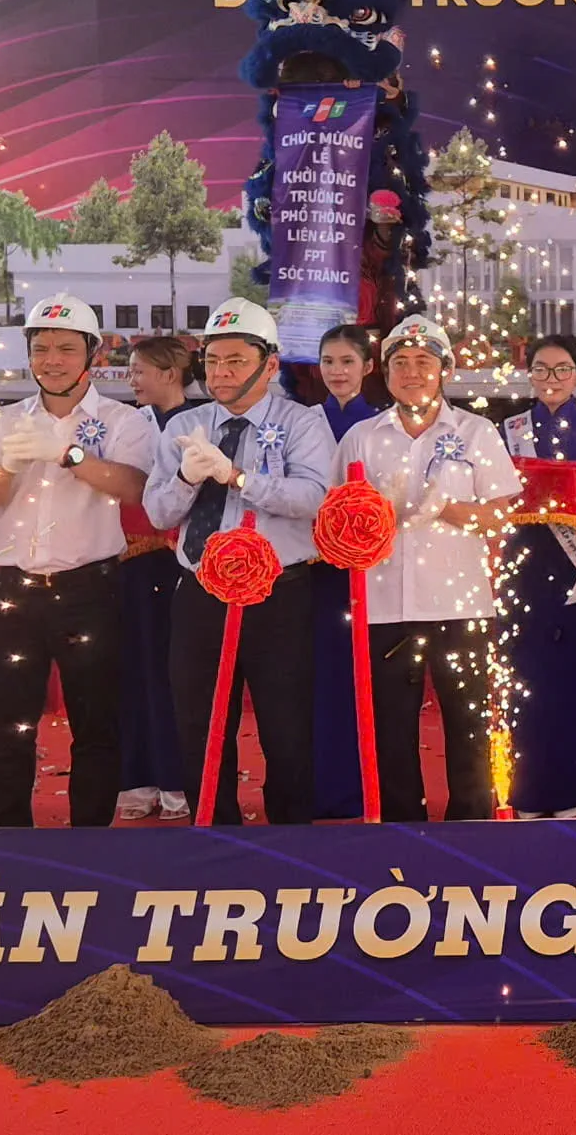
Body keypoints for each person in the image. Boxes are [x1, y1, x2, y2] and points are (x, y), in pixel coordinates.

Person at [0, 294, 157, 827]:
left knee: (95, 725)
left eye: (67, 349)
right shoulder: (3, 421)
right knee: (8, 725)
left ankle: (88, 841)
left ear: (92, 354)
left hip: (89, 592)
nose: (52, 359)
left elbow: (137, 487)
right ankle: (9, 845)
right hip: (12, 594)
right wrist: (8, 465)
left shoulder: (124, 420)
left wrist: (69, 454)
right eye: (41, 347)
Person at [143, 297, 335, 825]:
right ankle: (213, 832)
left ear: (269, 365)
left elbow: (313, 498)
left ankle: (292, 841)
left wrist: (239, 478)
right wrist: (188, 477)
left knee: (286, 722)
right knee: (199, 722)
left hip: (278, 593)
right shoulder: (186, 425)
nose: (221, 373)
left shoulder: (302, 423)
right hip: (200, 590)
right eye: (212, 361)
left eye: (235, 361)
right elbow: (157, 512)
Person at [335, 315, 522, 821]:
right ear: (385, 371)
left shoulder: (475, 432)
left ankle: (472, 827)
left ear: (445, 370)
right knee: (391, 730)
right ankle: (402, 830)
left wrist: (448, 509)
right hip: (384, 604)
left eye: (424, 362)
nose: (412, 372)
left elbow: (505, 513)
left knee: (468, 726)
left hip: (460, 603)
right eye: (400, 363)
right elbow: (335, 518)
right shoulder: (361, 438)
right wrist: (374, 516)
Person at [499, 334, 576, 818]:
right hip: (524, 561)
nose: (552, 379)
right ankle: (529, 787)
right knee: (526, 673)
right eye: (543, 370)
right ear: (530, 374)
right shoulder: (507, 429)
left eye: (563, 369)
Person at [118, 335, 194, 821]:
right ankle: (137, 777)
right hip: (132, 562)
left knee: (180, 674)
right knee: (134, 670)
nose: (132, 379)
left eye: (139, 370)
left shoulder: (202, 421)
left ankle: (179, 777)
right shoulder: (127, 423)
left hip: (189, 562)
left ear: (169, 373)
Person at [311, 324, 384, 820]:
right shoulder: (301, 422)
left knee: (363, 676)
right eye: (329, 362)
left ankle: (367, 787)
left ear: (368, 367)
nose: (337, 372)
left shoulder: (379, 427)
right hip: (312, 569)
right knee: (315, 677)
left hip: (364, 570)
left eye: (347, 362)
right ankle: (319, 785)